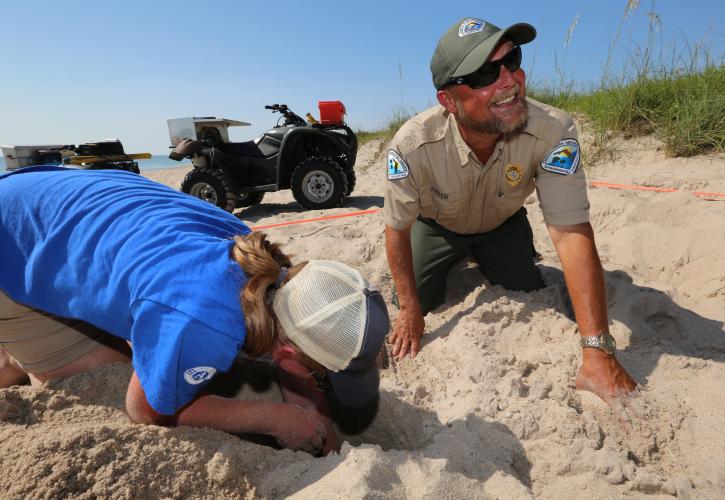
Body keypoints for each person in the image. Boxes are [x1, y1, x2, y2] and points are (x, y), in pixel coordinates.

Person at [0, 165, 389, 456]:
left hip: (50, 202)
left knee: (140, 348)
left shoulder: (264, 263)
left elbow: (295, 357)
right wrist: (272, 418)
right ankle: (16, 353)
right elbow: (143, 411)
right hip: (13, 238)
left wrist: (324, 441)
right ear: (286, 354)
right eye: (322, 378)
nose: (319, 384)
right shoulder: (204, 324)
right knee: (111, 376)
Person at [383, 17, 636, 403]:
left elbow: (570, 232)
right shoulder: (412, 145)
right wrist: (409, 309)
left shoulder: (554, 132)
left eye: (512, 60)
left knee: (527, 288)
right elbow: (396, 228)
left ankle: (501, 257)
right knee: (418, 303)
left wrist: (598, 349)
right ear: (448, 101)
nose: (509, 80)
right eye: (485, 73)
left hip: (503, 226)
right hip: (436, 228)